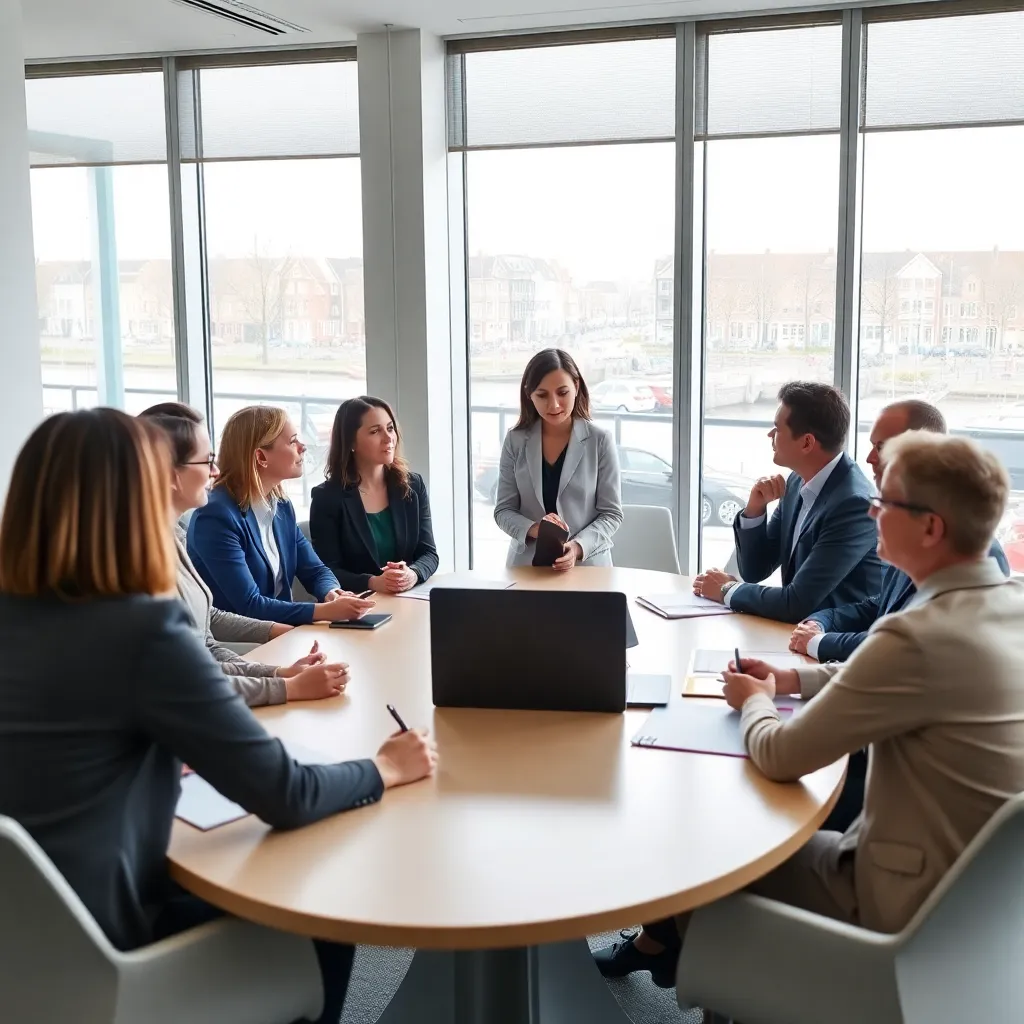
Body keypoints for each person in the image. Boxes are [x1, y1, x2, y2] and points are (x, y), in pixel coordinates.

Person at [0, 408, 438, 1024]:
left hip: (25, 944)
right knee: (320, 898)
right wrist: (385, 767)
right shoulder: (138, 630)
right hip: (112, 951)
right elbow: (286, 793)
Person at [595, 432, 1024, 988]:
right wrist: (793, 677)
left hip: (895, 902)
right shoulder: (1005, 608)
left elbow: (778, 755)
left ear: (931, 527)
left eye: (885, 503)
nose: (872, 512)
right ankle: (669, 946)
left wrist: (754, 702)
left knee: (701, 844)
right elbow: (899, 679)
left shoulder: (914, 635)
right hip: (977, 905)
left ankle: (707, 969)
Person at [141, 402, 351, 706]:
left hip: (230, 675)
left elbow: (205, 639)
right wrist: (286, 685)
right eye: (206, 461)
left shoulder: (174, 534)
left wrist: (280, 674)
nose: (215, 472)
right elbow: (187, 672)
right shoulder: (208, 518)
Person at [790, 399, 1010, 663]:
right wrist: (821, 621)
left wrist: (818, 643)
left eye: (881, 447)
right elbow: (882, 605)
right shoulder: (911, 530)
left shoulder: (974, 553)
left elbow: (901, 644)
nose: (870, 458)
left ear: (919, 450)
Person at [693, 381, 882, 622]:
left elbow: (797, 603)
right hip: (797, 635)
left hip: (834, 645)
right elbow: (755, 570)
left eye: (777, 428)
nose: (770, 435)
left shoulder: (853, 504)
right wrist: (755, 511)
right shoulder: (796, 481)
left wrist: (726, 590)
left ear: (806, 443)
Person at [187, 405, 375, 625]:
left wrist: (331, 593)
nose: (302, 447)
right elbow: (250, 605)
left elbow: (315, 571)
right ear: (261, 456)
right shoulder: (216, 516)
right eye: (292, 441)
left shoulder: (281, 506)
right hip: (241, 643)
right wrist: (326, 611)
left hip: (283, 632)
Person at [494, 348, 622, 570]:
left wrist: (578, 547)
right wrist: (537, 530)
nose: (553, 405)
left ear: (576, 387)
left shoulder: (600, 440)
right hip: (527, 567)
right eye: (542, 395)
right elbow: (503, 511)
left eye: (562, 392)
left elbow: (611, 514)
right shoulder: (515, 441)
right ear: (529, 394)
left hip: (588, 568)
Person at [309, 396, 438, 594]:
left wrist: (412, 573)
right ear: (351, 441)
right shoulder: (326, 498)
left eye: (390, 428)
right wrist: (372, 582)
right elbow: (327, 571)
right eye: (375, 431)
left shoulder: (412, 486)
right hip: (356, 605)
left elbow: (428, 553)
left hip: (406, 598)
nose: (388, 438)